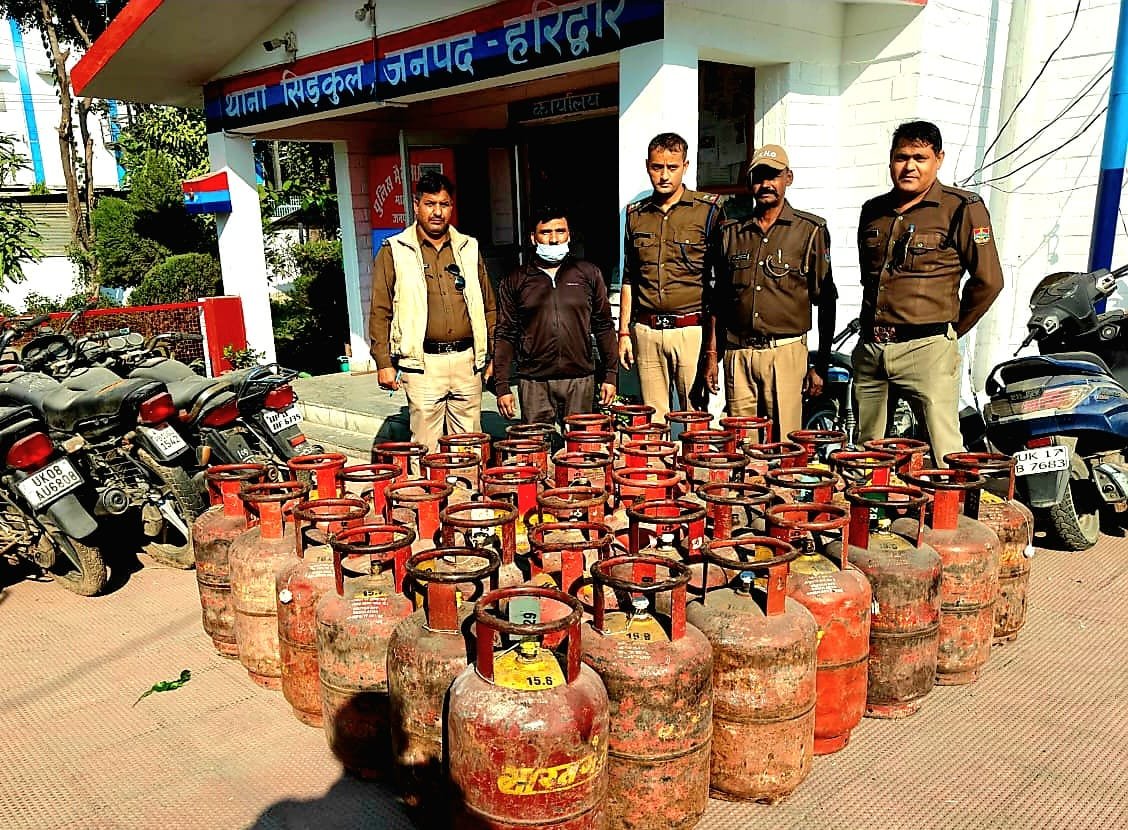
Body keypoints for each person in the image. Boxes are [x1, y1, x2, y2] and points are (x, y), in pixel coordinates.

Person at [854, 120, 1003, 464]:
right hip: (873, 348)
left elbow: (989, 281)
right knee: (867, 454)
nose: (909, 167)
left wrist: (952, 330)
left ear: (939, 159)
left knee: (943, 452)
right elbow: (871, 280)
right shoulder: (873, 211)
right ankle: (878, 500)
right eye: (901, 157)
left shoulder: (961, 207)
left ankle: (949, 503)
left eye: (919, 158)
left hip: (927, 349)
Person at [705, 144, 836, 441]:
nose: (765, 184)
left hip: (785, 353)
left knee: (786, 445)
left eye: (773, 176)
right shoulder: (732, 232)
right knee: (741, 444)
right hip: (739, 354)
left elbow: (826, 301)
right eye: (759, 177)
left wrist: (820, 365)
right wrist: (712, 356)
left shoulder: (809, 230)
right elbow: (717, 300)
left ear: (788, 177)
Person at [367, 171, 496, 452]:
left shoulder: (468, 247)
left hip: (467, 361)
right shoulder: (395, 249)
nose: (437, 212)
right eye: (430, 204)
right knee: (425, 447)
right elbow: (380, 310)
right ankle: (426, 484)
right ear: (417, 205)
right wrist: (384, 363)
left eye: (444, 204)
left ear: (451, 207)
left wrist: (493, 354)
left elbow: (488, 305)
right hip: (422, 364)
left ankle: (466, 482)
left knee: (470, 447)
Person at [620, 132, 726, 421]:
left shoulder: (708, 211)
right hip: (647, 330)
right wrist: (624, 332)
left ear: (685, 166)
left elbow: (719, 283)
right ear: (647, 166)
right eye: (657, 167)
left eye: (672, 167)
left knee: (695, 418)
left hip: (691, 329)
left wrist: (713, 346)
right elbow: (630, 278)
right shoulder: (636, 215)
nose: (664, 175)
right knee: (653, 421)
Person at [493, 206, 618, 429]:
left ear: (569, 235)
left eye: (560, 231)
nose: (553, 239)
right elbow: (505, 333)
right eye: (545, 232)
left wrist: (610, 375)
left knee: (581, 444)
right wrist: (502, 385)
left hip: (580, 378)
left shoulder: (588, 273)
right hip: (534, 381)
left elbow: (603, 326)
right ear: (533, 238)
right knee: (536, 444)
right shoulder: (516, 280)